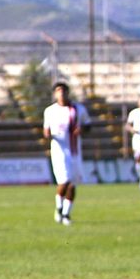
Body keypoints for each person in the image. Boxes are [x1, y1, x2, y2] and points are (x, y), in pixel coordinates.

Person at [43, 82, 91, 226]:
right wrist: (48, 134)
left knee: (73, 185)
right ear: (55, 94)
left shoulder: (78, 109)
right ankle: (59, 208)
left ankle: (66, 213)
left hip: (75, 151)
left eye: (64, 90)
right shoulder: (50, 111)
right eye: (58, 91)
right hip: (59, 151)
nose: (61, 93)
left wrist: (82, 130)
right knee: (64, 182)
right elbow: (46, 130)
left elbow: (88, 125)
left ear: (68, 92)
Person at [125, 96, 140, 190]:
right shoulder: (134, 113)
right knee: (137, 159)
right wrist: (132, 130)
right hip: (136, 138)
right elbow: (127, 125)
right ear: (138, 103)